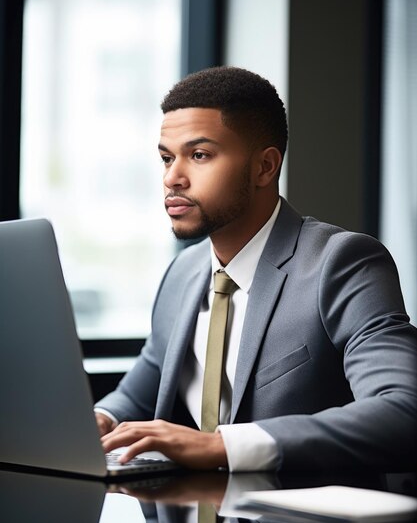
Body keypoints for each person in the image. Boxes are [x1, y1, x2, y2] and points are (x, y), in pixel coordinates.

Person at [96, 66, 417, 473]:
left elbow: (404, 411)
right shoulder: (182, 273)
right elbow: (139, 390)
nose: (172, 178)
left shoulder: (343, 263)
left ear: (265, 167)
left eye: (199, 155)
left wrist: (222, 448)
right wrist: (100, 419)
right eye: (165, 158)